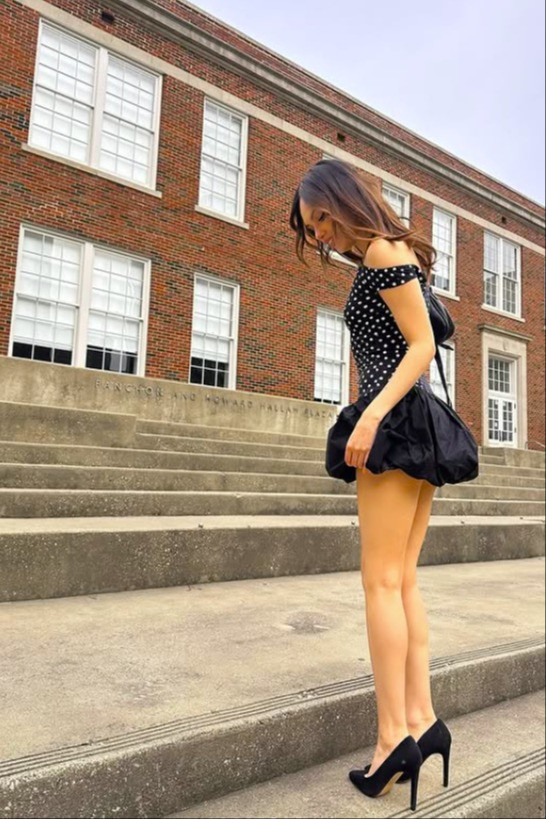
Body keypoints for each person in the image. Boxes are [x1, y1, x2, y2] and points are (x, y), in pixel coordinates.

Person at [289, 158, 452, 812]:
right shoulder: (392, 253)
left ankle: (391, 740)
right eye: (312, 228)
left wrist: (371, 415)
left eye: (322, 219)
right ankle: (421, 719)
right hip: (417, 422)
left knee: (381, 582)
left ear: (344, 200)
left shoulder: (384, 252)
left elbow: (421, 346)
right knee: (402, 580)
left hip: (396, 421)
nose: (321, 235)